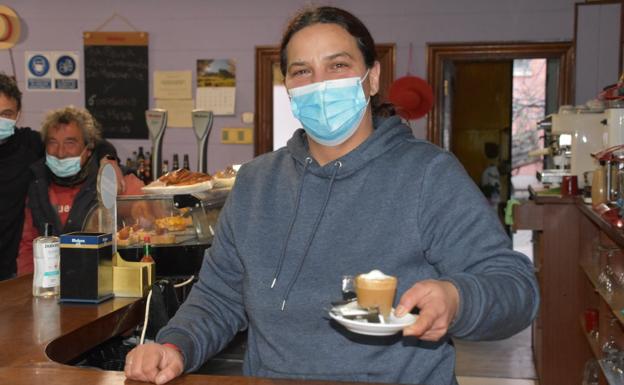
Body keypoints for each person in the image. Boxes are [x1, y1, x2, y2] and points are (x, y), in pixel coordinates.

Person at [125, 6, 539, 385]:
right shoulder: (254, 183)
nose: (319, 85)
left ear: (372, 77)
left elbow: (515, 287)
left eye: (338, 65)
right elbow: (218, 297)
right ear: (287, 85)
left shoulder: (428, 175)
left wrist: (458, 298)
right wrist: (174, 345)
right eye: (302, 71)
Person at [17, 106, 144, 274]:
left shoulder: (115, 181)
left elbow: (147, 223)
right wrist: (28, 289)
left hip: (104, 285)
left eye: (70, 143)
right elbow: (28, 244)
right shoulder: (37, 183)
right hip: (51, 286)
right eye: (53, 143)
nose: (60, 153)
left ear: (88, 148)